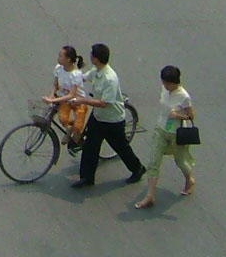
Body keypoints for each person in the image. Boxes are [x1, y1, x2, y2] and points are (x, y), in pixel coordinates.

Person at [69, 43, 146, 189]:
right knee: (90, 147)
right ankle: (86, 177)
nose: (90, 56)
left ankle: (137, 169)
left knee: (121, 147)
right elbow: (83, 78)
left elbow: (104, 103)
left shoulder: (110, 78)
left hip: (112, 121)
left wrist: (82, 100)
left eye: (92, 54)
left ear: (96, 58)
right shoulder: (96, 70)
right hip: (98, 117)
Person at [132, 64, 195, 208]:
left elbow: (191, 115)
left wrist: (177, 115)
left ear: (174, 82)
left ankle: (189, 179)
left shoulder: (184, 96)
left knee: (181, 162)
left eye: (167, 83)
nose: (164, 85)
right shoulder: (165, 90)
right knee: (153, 162)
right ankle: (150, 196)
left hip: (175, 134)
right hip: (160, 129)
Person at [43, 45, 87, 147]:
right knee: (63, 119)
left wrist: (53, 100)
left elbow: (71, 95)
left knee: (78, 127)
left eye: (60, 56)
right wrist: (52, 94)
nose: (58, 58)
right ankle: (69, 129)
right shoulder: (58, 69)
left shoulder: (76, 74)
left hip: (78, 101)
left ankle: (76, 138)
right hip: (65, 101)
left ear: (68, 59)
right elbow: (55, 85)